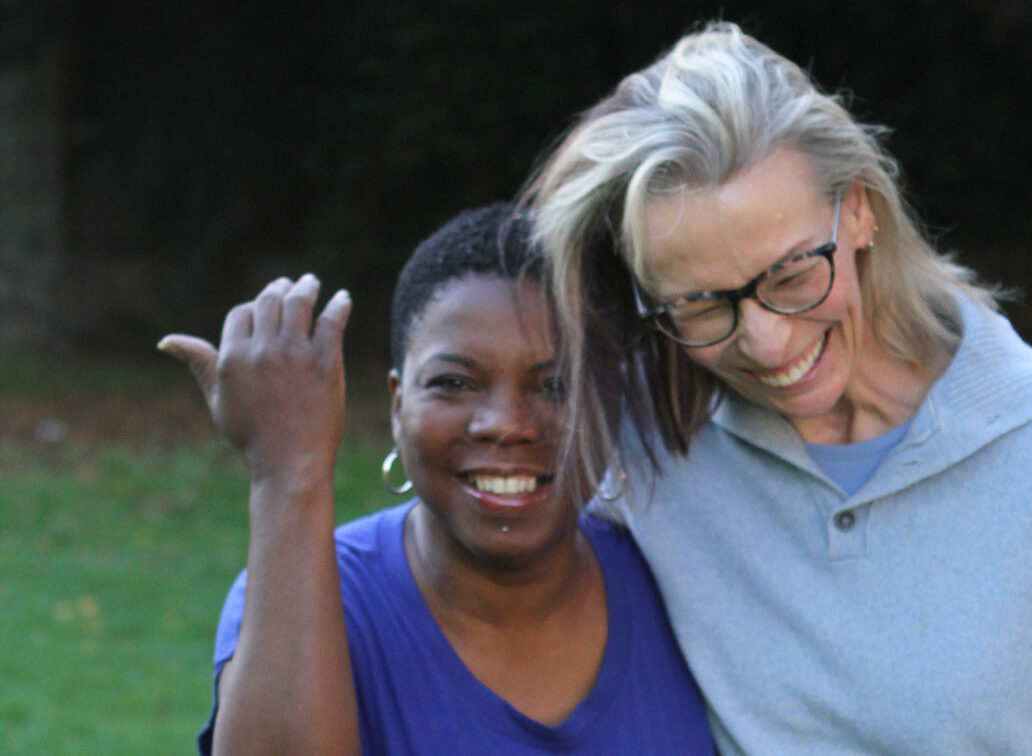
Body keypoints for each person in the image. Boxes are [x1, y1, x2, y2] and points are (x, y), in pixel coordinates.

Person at [525, 21, 1032, 755]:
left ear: (861, 210)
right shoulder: (641, 447)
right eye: (702, 305)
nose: (765, 342)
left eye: (792, 274)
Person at [159, 204, 714, 755]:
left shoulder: (674, 578)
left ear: (612, 404)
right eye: (454, 382)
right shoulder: (320, 596)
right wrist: (287, 476)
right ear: (399, 405)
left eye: (554, 386)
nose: (506, 424)